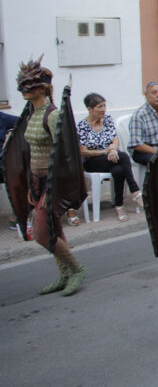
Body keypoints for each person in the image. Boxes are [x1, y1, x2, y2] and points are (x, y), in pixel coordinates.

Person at [15, 58, 87, 296]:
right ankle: (64, 274)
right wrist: (31, 186)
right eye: (23, 84)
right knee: (55, 229)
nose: (25, 89)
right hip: (37, 181)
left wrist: (51, 191)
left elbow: (66, 155)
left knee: (40, 234)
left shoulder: (53, 115)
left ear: (43, 87)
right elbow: (30, 152)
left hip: (52, 182)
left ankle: (76, 269)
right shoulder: (31, 113)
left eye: (31, 85)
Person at [77, 93, 142, 223]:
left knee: (118, 170)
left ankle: (119, 206)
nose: (103, 109)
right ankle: (134, 190)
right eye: (99, 107)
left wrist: (113, 149)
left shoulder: (108, 120)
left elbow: (115, 140)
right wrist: (106, 151)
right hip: (92, 161)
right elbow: (83, 152)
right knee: (123, 157)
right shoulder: (82, 126)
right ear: (90, 109)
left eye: (104, 105)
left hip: (111, 158)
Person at [128, 82, 158, 165]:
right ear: (146, 95)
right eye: (154, 93)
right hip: (145, 150)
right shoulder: (139, 115)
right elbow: (136, 144)